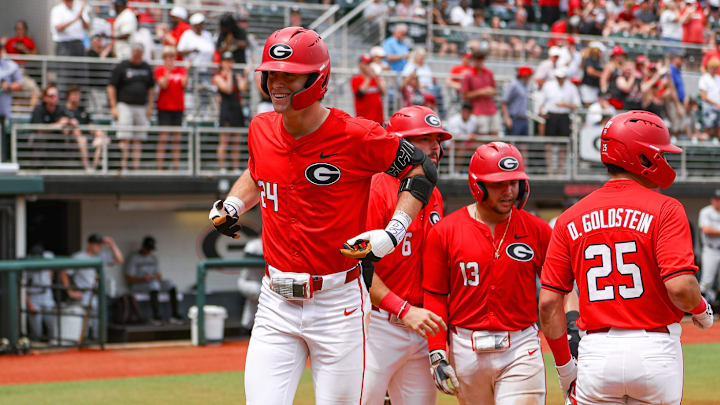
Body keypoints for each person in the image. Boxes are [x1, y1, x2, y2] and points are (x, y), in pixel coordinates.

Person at [208, 27, 437, 404]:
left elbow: (422, 168)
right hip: (275, 302)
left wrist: (394, 231)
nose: (277, 83)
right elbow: (258, 169)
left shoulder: (356, 134)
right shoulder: (260, 127)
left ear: (317, 78)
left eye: (289, 74)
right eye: (272, 73)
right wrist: (233, 204)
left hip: (338, 304)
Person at [539, 111, 714, 405]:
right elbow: (682, 288)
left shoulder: (570, 216)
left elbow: (547, 304)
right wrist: (701, 311)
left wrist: (565, 367)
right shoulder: (667, 209)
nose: (665, 161)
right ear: (643, 157)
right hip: (655, 351)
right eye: (660, 154)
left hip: (596, 352)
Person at [422, 142, 551, 404]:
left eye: (514, 183)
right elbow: (435, 296)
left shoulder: (538, 230)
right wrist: (437, 350)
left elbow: (559, 289)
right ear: (477, 186)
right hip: (465, 347)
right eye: (498, 184)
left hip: (520, 345)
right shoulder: (445, 231)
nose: (509, 191)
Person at [362, 106, 450, 405]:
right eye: (425, 139)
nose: (436, 147)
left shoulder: (434, 193)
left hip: (421, 324)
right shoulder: (376, 188)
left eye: (438, 139)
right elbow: (357, 268)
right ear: (401, 143)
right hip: (378, 323)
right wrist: (402, 309)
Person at [61, 234, 124, 341]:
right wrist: (70, 292)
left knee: (97, 324)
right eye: (96, 244)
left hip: (97, 294)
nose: (98, 247)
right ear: (89, 244)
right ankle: (82, 346)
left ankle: (96, 346)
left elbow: (119, 259)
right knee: (84, 325)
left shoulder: (101, 256)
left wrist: (112, 244)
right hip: (84, 294)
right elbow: (64, 273)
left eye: (100, 245)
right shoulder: (78, 257)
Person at [107, 42, 155, 172]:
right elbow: (111, 86)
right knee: (125, 137)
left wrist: (150, 106)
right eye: (135, 55)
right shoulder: (122, 66)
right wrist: (113, 106)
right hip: (125, 106)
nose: (137, 58)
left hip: (141, 107)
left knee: (139, 138)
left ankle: (136, 167)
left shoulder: (146, 67)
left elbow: (151, 88)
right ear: (132, 52)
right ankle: (123, 166)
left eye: (139, 55)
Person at [125, 236, 183, 325]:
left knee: (170, 284)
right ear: (143, 246)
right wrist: (143, 279)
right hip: (138, 284)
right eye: (147, 249)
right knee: (154, 285)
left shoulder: (153, 258)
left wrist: (155, 277)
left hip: (152, 283)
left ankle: (174, 315)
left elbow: (159, 276)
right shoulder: (134, 258)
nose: (149, 251)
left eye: (150, 249)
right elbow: (128, 279)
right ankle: (156, 317)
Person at [213, 51, 248, 173]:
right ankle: (222, 168)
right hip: (226, 109)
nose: (229, 63)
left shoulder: (235, 75)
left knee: (236, 141)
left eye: (231, 61)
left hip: (236, 109)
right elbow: (227, 89)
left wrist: (244, 76)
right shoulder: (218, 77)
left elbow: (243, 88)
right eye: (227, 61)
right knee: (224, 140)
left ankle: (235, 168)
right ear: (222, 63)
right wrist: (228, 74)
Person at [155, 46, 188, 171]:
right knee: (163, 138)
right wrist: (167, 71)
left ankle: (176, 167)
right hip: (164, 108)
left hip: (178, 108)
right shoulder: (160, 70)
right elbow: (163, 84)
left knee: (176, 140)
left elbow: (185, 84)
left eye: (172, 56)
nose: (170, 59)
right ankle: (159, 168)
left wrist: (187, 71)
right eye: (167, 56)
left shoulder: (181, 70)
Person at [64, 84, 107, 171]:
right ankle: (87, 167)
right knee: (81, 139)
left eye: (79, 94)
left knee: (103, 138)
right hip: (71, 140)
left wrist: (98, 132)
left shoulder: (82, 110)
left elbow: (90, 125)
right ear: (68, 96)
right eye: (75, 94)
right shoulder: (63, 110)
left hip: (88, 138)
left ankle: (94, 167)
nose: (77, 97)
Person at [462, 50, 499, 136]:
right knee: (482, 137)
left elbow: (495, 90)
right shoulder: (469, 75)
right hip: (478, 112)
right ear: (473, 60)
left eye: (481, 59)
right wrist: (481, 92)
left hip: (492, 110)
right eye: (477, 59)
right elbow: (464, 95)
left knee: (495, 136)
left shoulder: (489, 73)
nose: (480, 61)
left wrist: (490, 91)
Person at [24, 245, 56, 341]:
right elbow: (22, 290)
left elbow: (54, 264)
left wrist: (51, 276)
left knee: (52, 326)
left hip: (47, 295)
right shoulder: (26, 265)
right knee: (36, 331)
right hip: (34, 297)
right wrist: (29, 304)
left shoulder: (48, 257)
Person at [0, 46, 22, 162]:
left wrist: (7, 86)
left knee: (4, 138)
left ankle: (5, 160)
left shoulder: (10, 66)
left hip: (3, 111)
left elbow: (19, 84)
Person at [699, 191, 720, 309]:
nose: (718, 201)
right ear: (712, 200)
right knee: (707, 281)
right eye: (716, 199)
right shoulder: (706, 211)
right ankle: (702, 310)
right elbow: (706, 230)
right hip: (710, 250)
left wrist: (715, 231)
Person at [352, 54, 386, 125]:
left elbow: (383, 92)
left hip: (378, 119)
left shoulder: (376, 77)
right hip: (364, 120)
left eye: (369, 63)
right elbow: (360, 94)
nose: (368, 66)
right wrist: (369, 78)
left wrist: (375, 77)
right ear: (360, 64)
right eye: (366, 63)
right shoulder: (356, 78)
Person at [500, 66, 533, 136]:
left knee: (524, 144)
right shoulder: (513, 85)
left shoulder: (525, 85)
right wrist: (507, 118)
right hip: (514, 119)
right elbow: (503, 102)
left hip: (523, 119)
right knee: (512, 144)